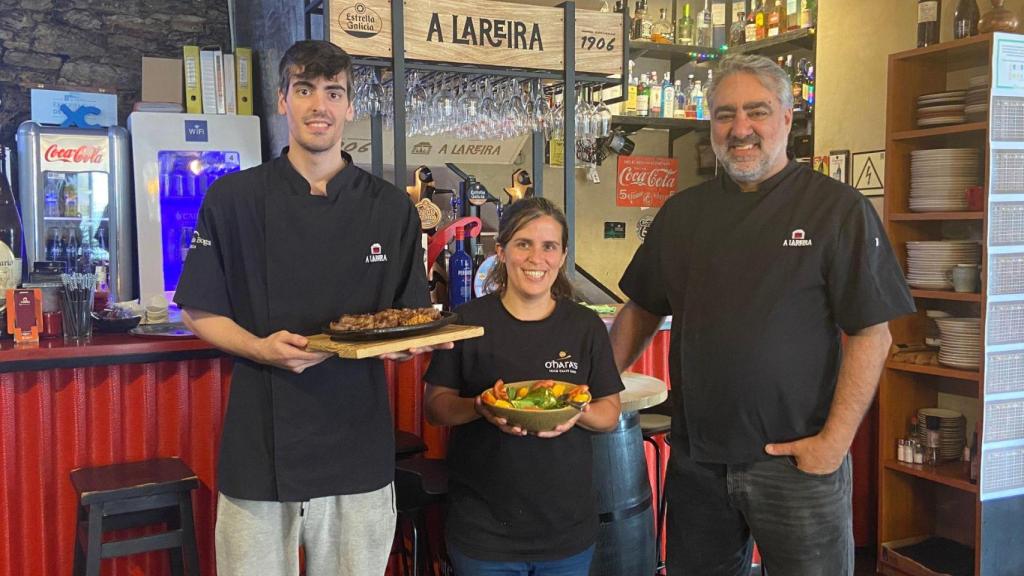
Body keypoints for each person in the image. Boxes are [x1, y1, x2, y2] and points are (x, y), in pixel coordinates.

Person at [610, 54, 915, 575]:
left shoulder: (837, 209)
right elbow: (641, 308)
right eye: (725, 115)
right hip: (699, 462)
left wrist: (834, 443)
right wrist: (594, 386)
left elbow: (873, 333)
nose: (741, 129)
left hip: (797, 463)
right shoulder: (683, 214)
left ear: (787, 118)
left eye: (757, 111)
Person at [175, 40, 447, 576]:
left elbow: (409, 316)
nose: (319, 105)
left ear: (350, 106)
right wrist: (259, 348)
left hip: (357, 448)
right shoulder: (233, 199)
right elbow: (197, 309)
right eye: (304, 90)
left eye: (333, 92)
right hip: (261, 447)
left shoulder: (391, 208)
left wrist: (402, 348)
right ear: (283, 99)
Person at [423, 197, 623, 576]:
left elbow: (609, 413)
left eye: (549, 246)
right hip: (483, 532)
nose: (536, 258)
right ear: (501, 252)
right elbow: (435, 407)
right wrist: (480, 405)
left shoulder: (585, 327)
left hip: (566, 532)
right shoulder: (466, 321)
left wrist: (575, 409)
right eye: (523, 244)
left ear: (562, 256)